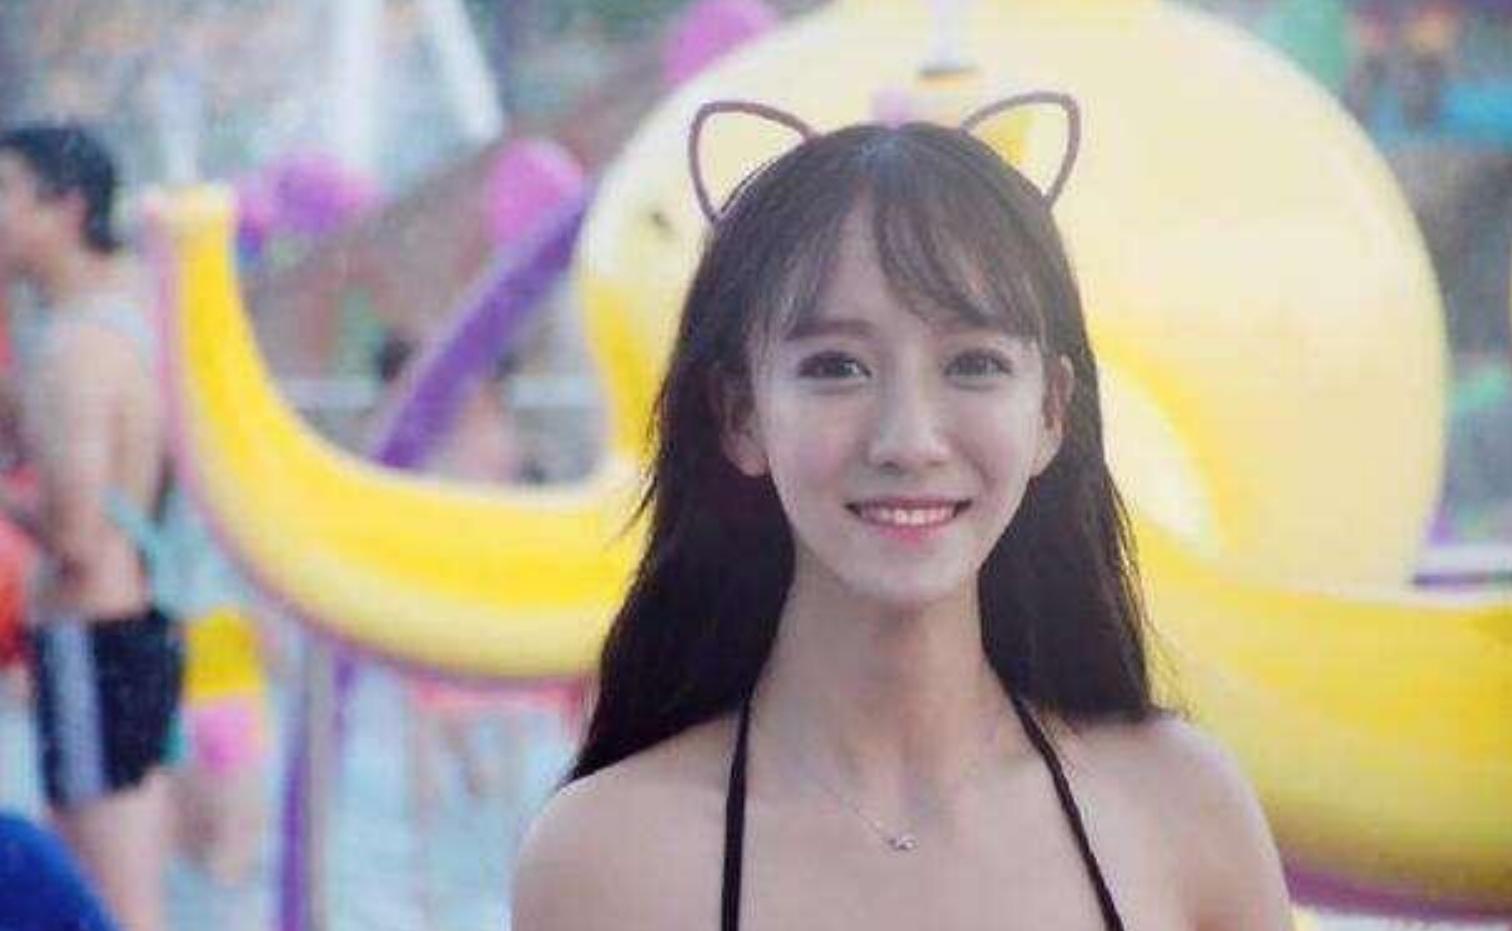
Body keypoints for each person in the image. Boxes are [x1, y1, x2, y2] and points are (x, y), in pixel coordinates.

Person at [512, 97, 1293, 931]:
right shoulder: (609, 858)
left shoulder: (1181, 811)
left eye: (974, 363)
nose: (909, 440)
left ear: (1051, 412)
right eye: (837, 366)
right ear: (741, 415)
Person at [0, 123, 180, 931]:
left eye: (6, 193)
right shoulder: (129, 312)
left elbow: (73, 538)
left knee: (108, 904)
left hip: (88, 640)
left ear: (67, 208)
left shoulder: (76, 350)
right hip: (129, 632)